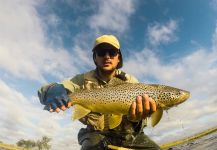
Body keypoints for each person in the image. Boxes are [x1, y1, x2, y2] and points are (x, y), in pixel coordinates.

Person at [38, 34, 161, 150]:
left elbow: (142, 118)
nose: (107, 56)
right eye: (101, 52)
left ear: (119, 58)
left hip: (128, 135)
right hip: (95, 135)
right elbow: (43, 91)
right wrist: (51, 90)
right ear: (95, 58)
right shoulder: (81, 80)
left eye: (112, 52)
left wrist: (138, 119)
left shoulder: (131, 81)